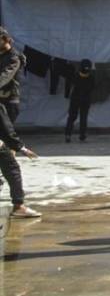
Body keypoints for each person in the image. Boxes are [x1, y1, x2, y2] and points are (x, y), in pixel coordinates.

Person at [0, 27, 41, 219]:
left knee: (8, 152)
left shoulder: (13, 57)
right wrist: (20, 146)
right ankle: (18, 205)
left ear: (5, 39)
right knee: (9, 159)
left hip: (8, 103)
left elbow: (5, 77)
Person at [65, 59, 95, 144]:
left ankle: (68, 135)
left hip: (75, 98)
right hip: (85, 99)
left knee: (72, 117)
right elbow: (93, 87)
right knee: (83, 117)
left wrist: (67, 95)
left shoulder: (75, 75)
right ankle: (82, 135)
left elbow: (70, 84)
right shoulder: (91, 77)